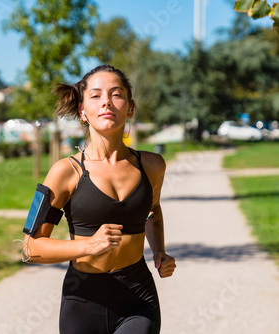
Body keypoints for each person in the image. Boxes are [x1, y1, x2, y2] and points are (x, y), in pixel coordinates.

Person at [21, 65, 176, 334]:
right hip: (82, 302)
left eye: (116, 94)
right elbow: (30, 248)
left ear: (129, 107)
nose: (106, 101)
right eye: (95, 96)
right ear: (82, 112)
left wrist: (159, 251)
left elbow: (152, 210)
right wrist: (89, 246)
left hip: (138, 298)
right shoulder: (63, 172)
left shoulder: (152, 165)